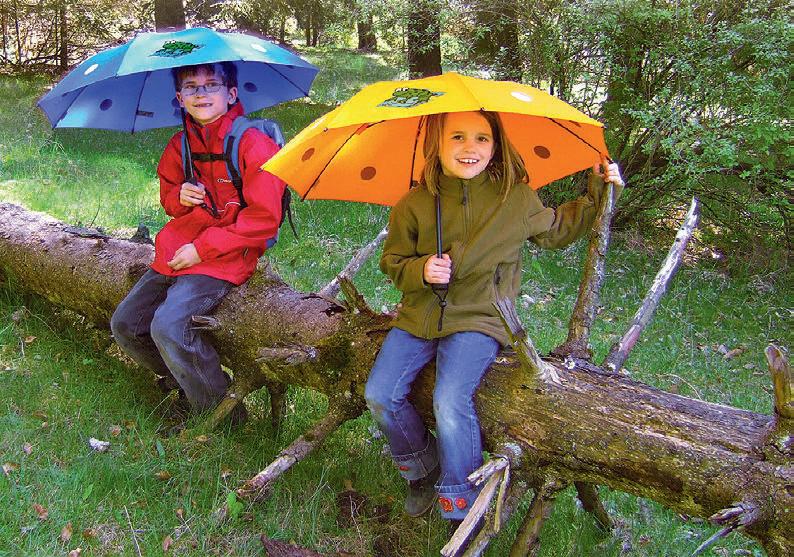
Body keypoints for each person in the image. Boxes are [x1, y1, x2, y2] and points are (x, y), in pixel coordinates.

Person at [364, 111, 624, 527]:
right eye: (457, 137)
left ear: (496, 146)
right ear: (436, 143)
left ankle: (461, 502)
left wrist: (599, 192)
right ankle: (422, 467)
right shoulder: (414, 203)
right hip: (420, 315)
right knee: (379, 393)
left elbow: (556, 231)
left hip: (481, 316)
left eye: (482, 138)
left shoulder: (514, 199)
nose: (470, 148)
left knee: (449, 400)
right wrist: (421, 270)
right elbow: (392, 261)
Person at [110, 61, 285, 423]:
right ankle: (190, 385)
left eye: (211, 85)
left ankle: (222, 416)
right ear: (179, 97)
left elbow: (264, 219)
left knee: (168, 326)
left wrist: (202, 250)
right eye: (191, 87)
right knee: (126, 324)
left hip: (228, 253)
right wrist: (180, 196)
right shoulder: (181, 145)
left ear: (231, 93)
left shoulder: (253, 145)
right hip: (181, 248)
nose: (201, 94)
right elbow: (169, 198)